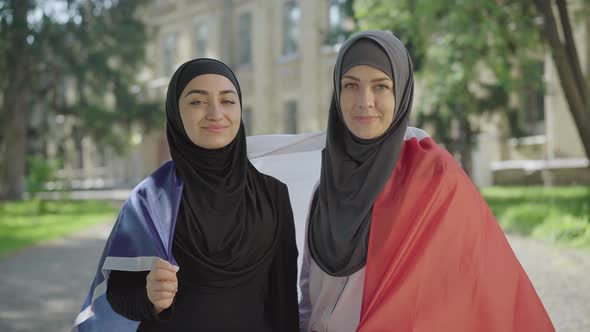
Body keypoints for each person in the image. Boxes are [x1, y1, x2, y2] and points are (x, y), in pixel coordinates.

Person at [298, 30, 555, 332]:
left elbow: (476, 288)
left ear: (402, 92)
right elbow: (309, 295)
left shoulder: (435, 178)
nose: (364, 101)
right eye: (350, 85)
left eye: (381, 86)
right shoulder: (325, 188)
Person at [73, 58, 299, 331]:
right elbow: (119, 295)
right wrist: (150, 298)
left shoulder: (272, 194)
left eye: (228, 101)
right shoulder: (151, 199)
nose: (215, 113)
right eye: (197, 102)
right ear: (175, 114)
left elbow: (284, 297)